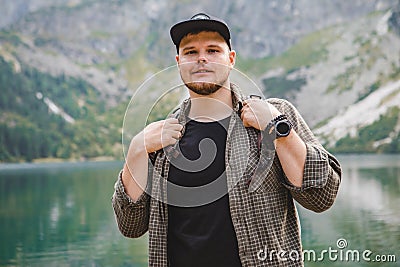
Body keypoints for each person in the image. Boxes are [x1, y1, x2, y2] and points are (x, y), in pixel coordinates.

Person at [112, 12, 341, 267]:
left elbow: (321, 195)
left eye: (212, 50)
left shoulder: (277, 116)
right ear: (178, 62)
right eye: (190, 52)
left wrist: (277, 128)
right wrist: (136, 151)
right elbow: (130, 226)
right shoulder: (159, 139)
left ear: (230, 59)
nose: (201, 58)